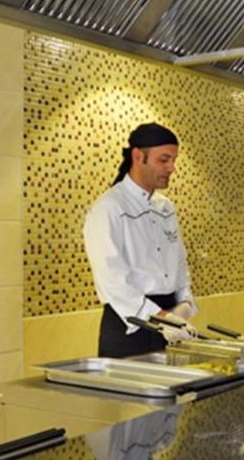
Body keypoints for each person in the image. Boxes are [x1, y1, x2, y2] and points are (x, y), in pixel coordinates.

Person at [84, 123, 198, 358]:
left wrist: (184, 304)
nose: (171, 168)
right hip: (130, 328)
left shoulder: (165, 207)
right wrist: (159, 317)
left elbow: (179, 262)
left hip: (170, 323)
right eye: (163, 160)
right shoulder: (109, 207)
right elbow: (111, 279)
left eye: (173, 160)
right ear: (138, 156)